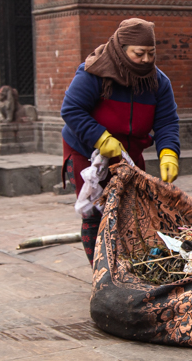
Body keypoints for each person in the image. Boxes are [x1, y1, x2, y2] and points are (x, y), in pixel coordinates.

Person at [61, 18, 181, 264]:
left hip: (129, 154)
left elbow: (167, 121)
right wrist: (100, 137)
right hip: (87, 153)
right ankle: (101, 274)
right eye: (139, 53)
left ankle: (125, 267)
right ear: (121, 49)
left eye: (151, 53)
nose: (147, 59)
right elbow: (71, 109)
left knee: (131, 212)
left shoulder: (159, 82)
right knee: (96, 213)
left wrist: (169, 152)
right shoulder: (92, 73)